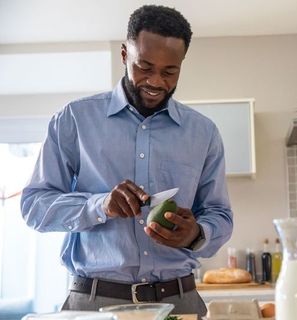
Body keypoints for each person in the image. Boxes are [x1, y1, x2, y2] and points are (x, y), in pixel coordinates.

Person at [20, 5, 233, 316]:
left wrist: (197, 234)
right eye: (144, 66)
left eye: (169, 71)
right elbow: (34, 206)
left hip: (179, 300)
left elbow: (220, 214)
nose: (156, 82)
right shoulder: (74, 120)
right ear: (124, 54)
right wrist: (101, 205)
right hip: (94, 303)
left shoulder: (204, 133)